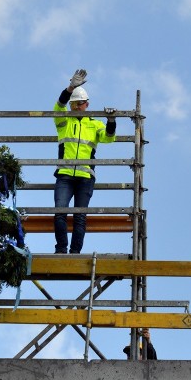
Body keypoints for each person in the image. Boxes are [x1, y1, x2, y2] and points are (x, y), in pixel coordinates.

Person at [53, 69, 116, 254]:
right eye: (73, 104)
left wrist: (111, 120)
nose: (75, 107)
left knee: (80, 216)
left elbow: (109, 137)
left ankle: (74, 253)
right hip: (65, 175)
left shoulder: (95, 124)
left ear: (86, 104)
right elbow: (58, 107)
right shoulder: (64, 122)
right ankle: (61, 250)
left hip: (85, 176)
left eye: (79, 104)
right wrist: (71, 88)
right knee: (60, 213)